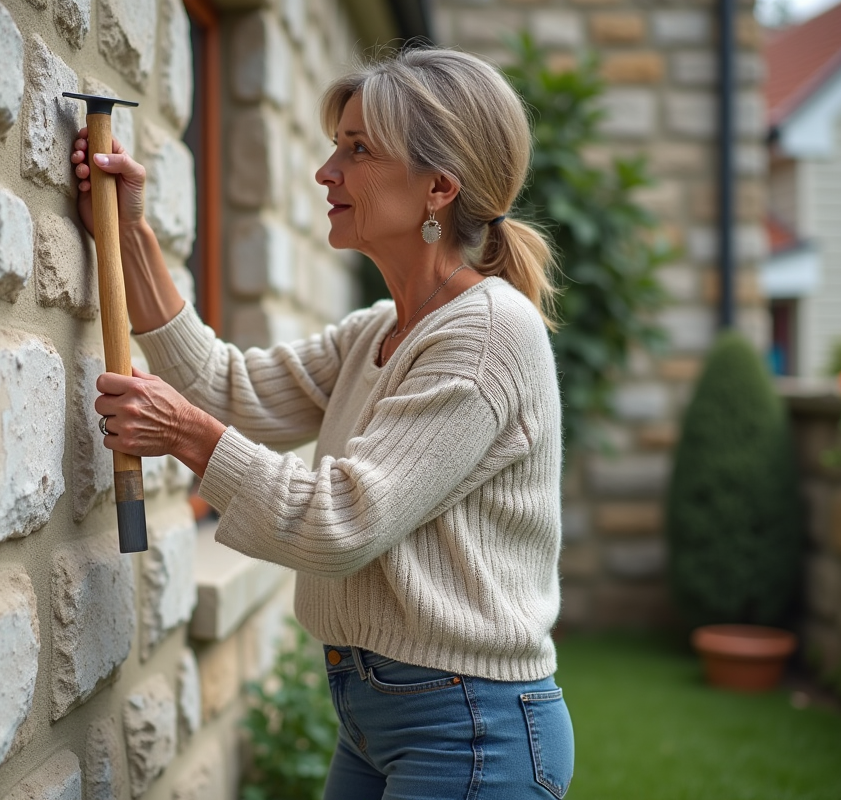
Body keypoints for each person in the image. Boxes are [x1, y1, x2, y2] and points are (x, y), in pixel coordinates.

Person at [72, 46, 574, 800]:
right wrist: (132, 237)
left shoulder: (487, 336)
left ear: (439, 187)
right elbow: (228, 389)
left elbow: (342, 521)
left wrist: (184, 435)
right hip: (378, 713)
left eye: (358, 149)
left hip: (469, 729)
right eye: (338, 145)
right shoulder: (381, 331)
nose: (325, 171)